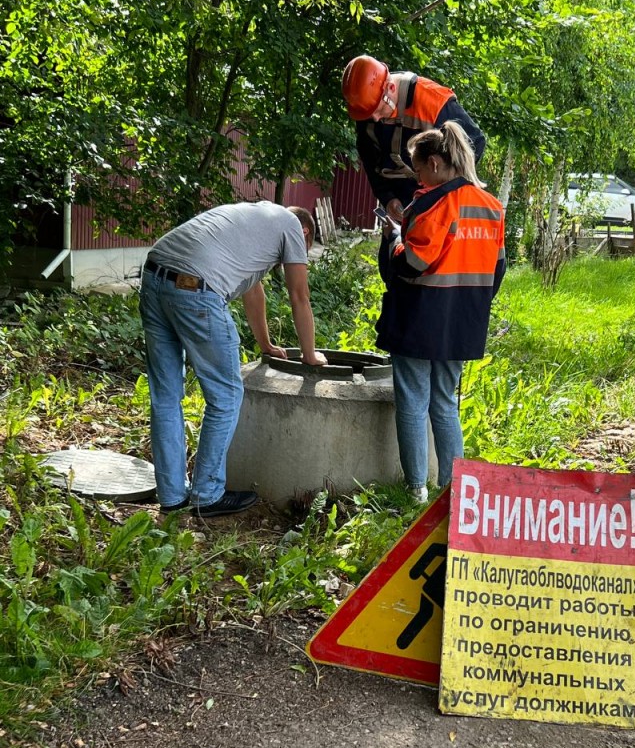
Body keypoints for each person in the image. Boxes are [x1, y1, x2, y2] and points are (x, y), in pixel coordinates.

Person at [140, 201, 327, 518]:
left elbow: (253, 292)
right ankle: (207, 495)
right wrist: (309, 354)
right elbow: (300, 295)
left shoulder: (256, 223)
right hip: (195, 288)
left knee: (166, 395)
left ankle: (171, 496)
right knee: (226, 395)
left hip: (154, 276)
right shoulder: (293, 226)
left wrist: (266, 344)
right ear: (305, 232)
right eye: (305, 250)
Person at [375, 122, 506, 502]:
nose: (417, 177)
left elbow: (412, 262)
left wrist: (393, 239)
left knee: (413, 400)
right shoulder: (492, 206)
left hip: (418, 319)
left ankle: (416, 489)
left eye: (417, 169)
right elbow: (498, 267)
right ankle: (455, 493)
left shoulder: (431, 205)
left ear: (434, 163)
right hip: (463, 322)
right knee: (445, 402)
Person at [341, 54, 486, 274]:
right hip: (400, 197)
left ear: (390, 88)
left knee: (433, 268)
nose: (377, 119)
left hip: (436, 199)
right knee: (392, 264)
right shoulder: (367, 107)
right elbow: (370, 161)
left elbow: (475, 143)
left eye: (379, 110)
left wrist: (442, 191)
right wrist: (388, 198)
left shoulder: (433, 102)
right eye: (370, 115)